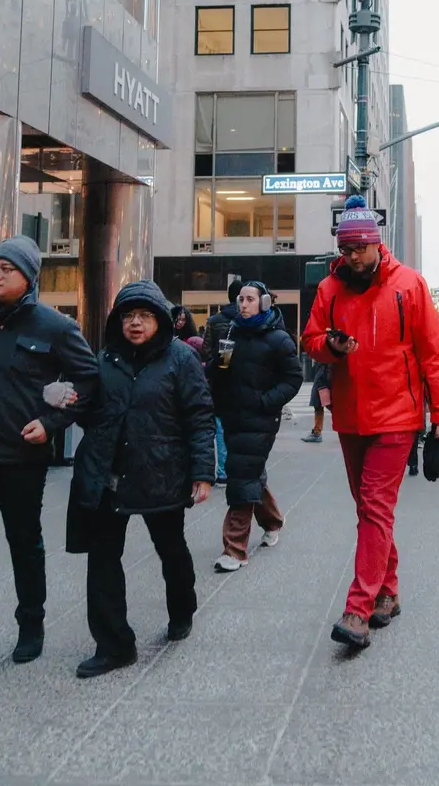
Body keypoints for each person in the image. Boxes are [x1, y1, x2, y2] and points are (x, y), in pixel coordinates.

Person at [302, 195, 439, 650]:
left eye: (358, 250)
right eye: (345, 250)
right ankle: (389, 589)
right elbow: (310, 339)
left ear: (375, 243)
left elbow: (433, 352)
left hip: (397, 417)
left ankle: (358, 608)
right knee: (369, 510)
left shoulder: (410, 285)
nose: (351, 257)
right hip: (350, 416)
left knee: (373, 506)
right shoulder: (330, 290)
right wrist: (331, 345)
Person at [68, 280, 215, 678]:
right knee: (102, 559)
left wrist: (203, 472)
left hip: (160, 471)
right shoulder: (105, 360)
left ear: (160, 321)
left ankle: (182, 607)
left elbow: (200, 416)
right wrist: (66, 403)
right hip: (109, 474)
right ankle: (115, 645)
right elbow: (91, 411)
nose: (135, 323)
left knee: (171, 549)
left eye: (144, 316)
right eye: (128, 316)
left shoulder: (180, 359)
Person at [0, 236, 98, 664]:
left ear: (29, 277)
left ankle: (30, 625)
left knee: (23, 543)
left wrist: (52, 423)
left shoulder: (53, 326)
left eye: (6, 268)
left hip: (20, 458)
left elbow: (89, 382)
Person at [211, 282, 302, 572]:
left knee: (241, 474)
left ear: (263, 302)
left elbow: (293, 379)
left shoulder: (279, 339)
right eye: (240, 299)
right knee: (249, 471)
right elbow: (218, 372)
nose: (243, 304)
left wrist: (266, 402)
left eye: (249, 299)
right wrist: (217, 365)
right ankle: (273, 520)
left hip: (261, 419)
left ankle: (234, 548)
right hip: (232, 415)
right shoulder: (231, 332)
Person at [204, 280, 244, 484]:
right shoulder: (244, 320)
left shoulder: (214, 321)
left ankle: (222, 471)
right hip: (241, 381)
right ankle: (237, 468)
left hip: (219, 381)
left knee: (219, 427)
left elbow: (206, 351)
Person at [302, 362, 330, 443]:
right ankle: (317, 432)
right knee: (319, 405)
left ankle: (317, 433)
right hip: (323, 375)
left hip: (323, 378)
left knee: (320, 404)